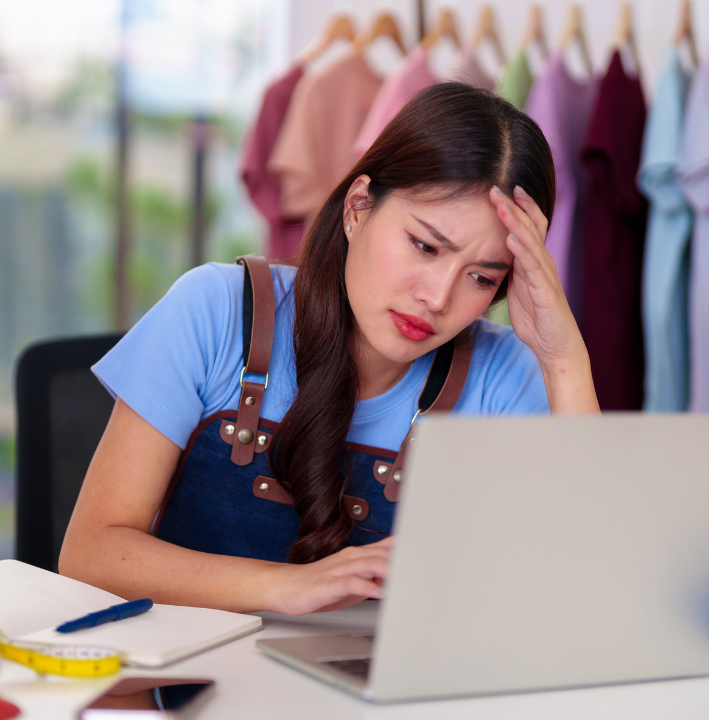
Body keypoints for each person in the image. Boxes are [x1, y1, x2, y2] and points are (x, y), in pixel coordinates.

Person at [60, 83, 599, 616]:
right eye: (425, 246)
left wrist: (564, 360)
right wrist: (288, 588)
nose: (438, 298)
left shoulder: (504, 374)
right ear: (358, 207)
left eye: (481, 277)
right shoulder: (215, 309)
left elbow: (587, 591)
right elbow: (90, 553)